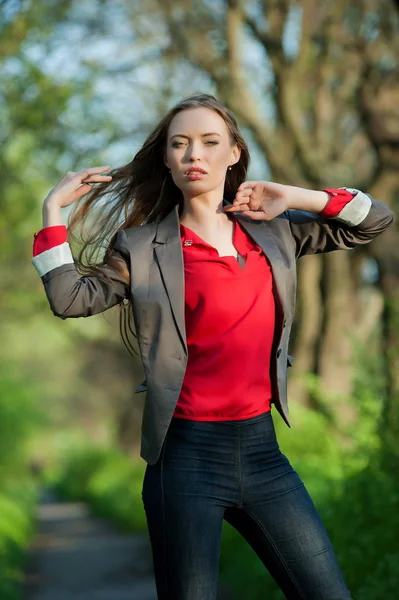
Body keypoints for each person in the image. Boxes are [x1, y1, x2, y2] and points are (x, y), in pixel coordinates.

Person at [32, 92, 394, 600]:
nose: (193, 154)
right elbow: (70, 300)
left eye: (208, 142)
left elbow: (374, 219)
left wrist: (294, 195)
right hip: (184, 460)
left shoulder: (276, 232)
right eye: (179, 144)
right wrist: (51, 211)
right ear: (166, 159)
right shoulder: (140, 247)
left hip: (265, 455)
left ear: (234, 153)